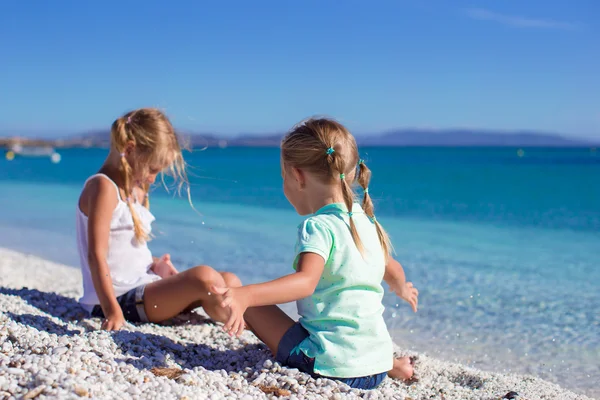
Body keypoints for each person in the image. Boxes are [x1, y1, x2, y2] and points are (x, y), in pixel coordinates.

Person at [212, 118, 419, 389]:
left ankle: (247, 301)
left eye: (283, 177)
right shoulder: (368, 222)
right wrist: (402, 288)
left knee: (250, 300)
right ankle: (393, 365)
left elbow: (306, 283)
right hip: (375, 368)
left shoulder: (318, 226)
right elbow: (392, 269)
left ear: (298, 176)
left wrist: (246, 295)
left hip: (333, 367)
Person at [76, 107, 240, 331]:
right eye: (152, 169)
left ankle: (239, 319)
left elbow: (125, 251)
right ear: (130, 149)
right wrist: (112, 312)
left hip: (143, 287)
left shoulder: (136, 190)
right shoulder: (103, 187)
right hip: (117, 299)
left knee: (229, 281)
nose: (152, 179)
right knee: (204, 277)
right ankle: (245, 321)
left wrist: (156, 265)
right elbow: (96, 256)